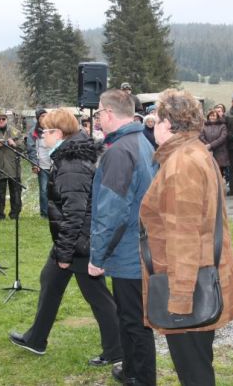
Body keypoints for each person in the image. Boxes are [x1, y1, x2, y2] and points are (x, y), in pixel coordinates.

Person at [140, 89, 233, 386]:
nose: (152, 125)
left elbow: (184, 235)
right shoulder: (193, 152)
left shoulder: (182, 163)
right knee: (197, 367)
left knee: (194, 373)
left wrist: (181, 298)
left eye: (155, 120)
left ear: (169, 124)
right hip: (198, 274)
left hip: (188, 283)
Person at [9, 109, 123, 365]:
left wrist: (65, 253)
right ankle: (36, 339)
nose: (42, 136)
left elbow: (75, 213)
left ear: (58, 133)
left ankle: (118, 351)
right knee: (50, 280)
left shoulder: (71, 164)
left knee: (97, 297)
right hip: (73, 239)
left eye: (45, 132)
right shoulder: (69, 156)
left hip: (80, 242)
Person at [88, 89, 157, 386]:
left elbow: (112, 211)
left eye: (99, 114)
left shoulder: (120, 151)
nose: (98, 120)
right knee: (130, 318)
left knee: (135, 322)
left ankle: (142, 378)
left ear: (109, 113)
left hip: (130, 250)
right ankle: (130, 370)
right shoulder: (141, 141)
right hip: (137, 244)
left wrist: (97, 256)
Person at [26, 109, 51, 218]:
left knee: (56, 190)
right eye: (42, 116)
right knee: (44, 190)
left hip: (55, 165)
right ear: (38, 118)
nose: (44, 118)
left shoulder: (54, 129)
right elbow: (31, 149)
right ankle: (44, 214)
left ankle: (55, 212)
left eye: (46, 116)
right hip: (42, 166)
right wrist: (34, 164)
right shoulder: (33, 132)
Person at [200, 109, 229, 174]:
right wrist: (207, 145)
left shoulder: (222, 126)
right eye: (210, 116)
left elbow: (222, 137)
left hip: (220, 153)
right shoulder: (204, 126)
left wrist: (211, 145)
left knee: (219, 173)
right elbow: (201, 136)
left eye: (214, 116)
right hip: (208, 151)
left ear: (217, 117)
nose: (212, 117)